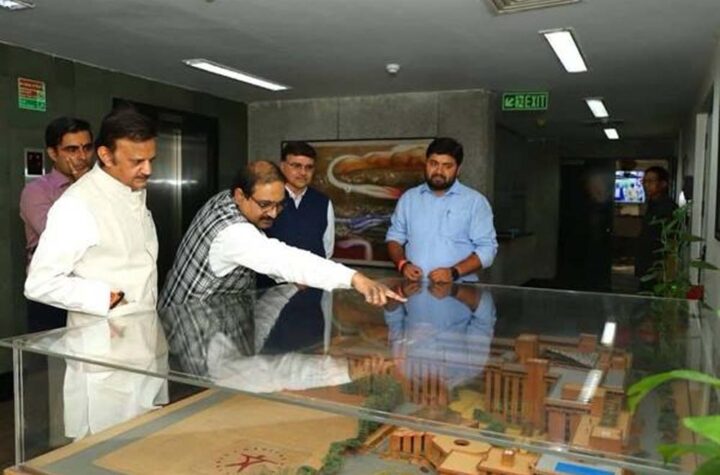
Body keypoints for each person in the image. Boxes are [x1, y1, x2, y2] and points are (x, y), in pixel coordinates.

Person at [159, 161, 402, 310]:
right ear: (240, 195)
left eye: (279, 204)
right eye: (265, 204)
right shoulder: (232, 232)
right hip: (187, 332)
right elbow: (283, 258)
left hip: (212, 325)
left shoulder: (225, 198)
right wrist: (356, 279)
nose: (273, 213)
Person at [25, 107, 159, 322]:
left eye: (151, 160)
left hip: (144, 326)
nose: (148, 170)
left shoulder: (133, 189)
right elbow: (40, 283)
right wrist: (109, 299)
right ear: (106, 155)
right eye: (137, 161)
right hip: (102, 334)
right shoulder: (77, 204)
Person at [386, 137, 498, 283]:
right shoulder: (409, 199)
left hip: (459, 289)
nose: (439, 171)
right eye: (433, 164)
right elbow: (394, 239)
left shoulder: (475, 202)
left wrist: (454, 272)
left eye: (447, 166)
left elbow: (488, 249)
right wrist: (403, 264)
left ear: (458, 169)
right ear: (426, 163)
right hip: (414, 288)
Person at [20, 117, 94, 331]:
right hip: (53, 292)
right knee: (52, 352)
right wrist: (83, 186)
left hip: (90, 289)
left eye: (87, 148)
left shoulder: (100, 187)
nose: (82, 156)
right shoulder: (37, 191)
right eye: (72, 149)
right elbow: (61, 237)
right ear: (53, 153)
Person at [257, 141, 334, 289]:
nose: (303, 172)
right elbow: (256, 248)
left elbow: (327, 248)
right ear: (282, 166)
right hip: (269, 290)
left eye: (309, 167)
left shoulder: (323, 202)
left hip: (311, 289)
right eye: (296, 166)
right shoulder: (266, 199)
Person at [635, 166, 677, 290]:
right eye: (644, 182)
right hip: (646, 263)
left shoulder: (668, 207)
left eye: (650, 181)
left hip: (658, 266)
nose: (646, 185)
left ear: (663, 184)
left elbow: (670, 240)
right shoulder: (652, 204)